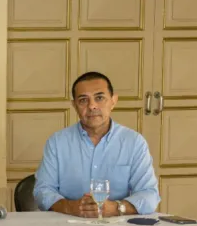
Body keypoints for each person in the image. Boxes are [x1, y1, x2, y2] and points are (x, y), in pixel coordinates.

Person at [34, 71, 160, 216]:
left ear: (113, 101)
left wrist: (116, 208)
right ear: (74, 105)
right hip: (68, 223)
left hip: (117, 225)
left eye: (99, 98)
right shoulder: (57, 142)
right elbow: (42, 191)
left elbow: (149, 195)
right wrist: (70, 207)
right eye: (83, 100)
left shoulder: (134, 142)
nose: (92, 106)